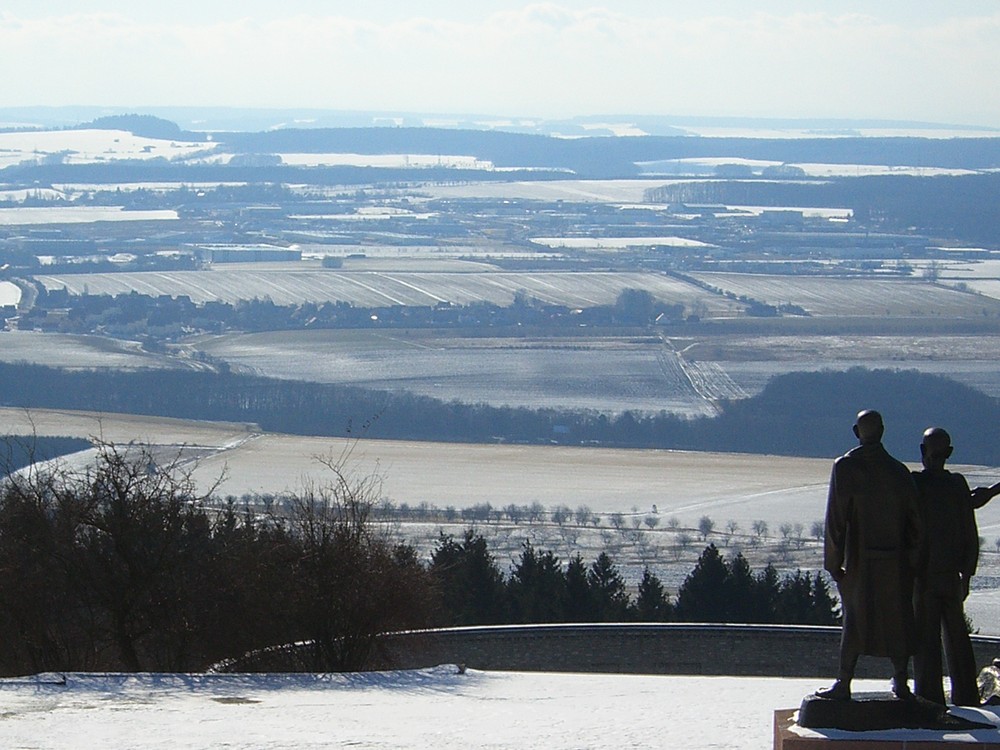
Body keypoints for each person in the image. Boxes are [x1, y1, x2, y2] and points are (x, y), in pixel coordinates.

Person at [817, 409, 923, 701]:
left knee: (854, 620)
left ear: (856, 432)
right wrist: (912, 563)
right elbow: (915, 525)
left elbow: (836, 519)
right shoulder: (899, 472)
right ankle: (901, 679)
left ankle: (844, 680)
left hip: (860, 562)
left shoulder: (846, 467)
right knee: (897, 619)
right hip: (896, 562)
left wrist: (833, 563)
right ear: (883, 431)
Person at [911, 427, 994, 706]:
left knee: (932, 639)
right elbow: (969, 531)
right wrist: (966, 575)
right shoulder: (955, 485)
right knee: (954, 637)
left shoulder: (917, 485)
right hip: (942, 577)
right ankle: (964, 694)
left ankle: (930, 695)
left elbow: (968, 530)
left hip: (927, 577)